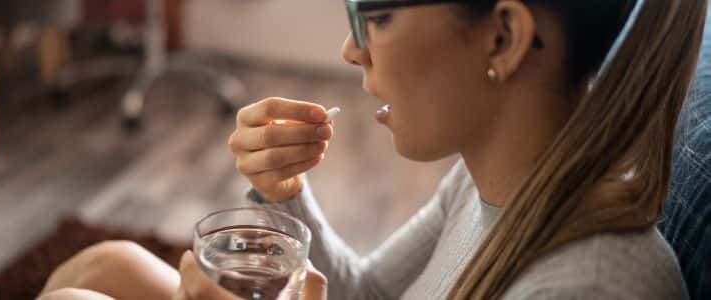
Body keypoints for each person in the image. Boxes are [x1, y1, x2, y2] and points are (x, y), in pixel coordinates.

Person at [38, 0, 707, 299]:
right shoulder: (490, 181)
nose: (351, 49)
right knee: (110, 266)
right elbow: (373, 294)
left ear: (502, 37)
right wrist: (285, 192)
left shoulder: (593, 288)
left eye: (375, 15)